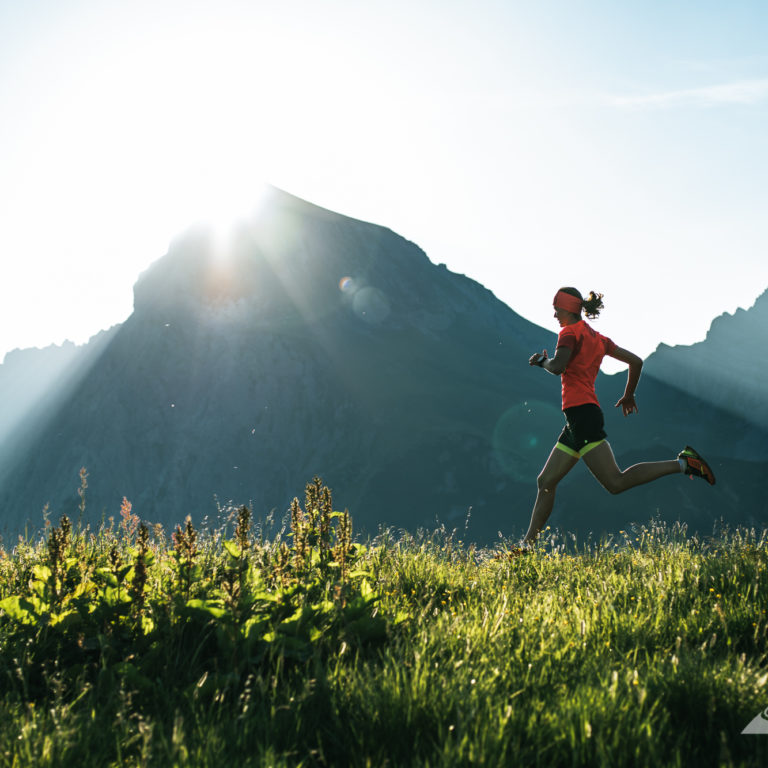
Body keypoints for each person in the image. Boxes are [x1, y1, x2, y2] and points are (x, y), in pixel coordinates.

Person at [521, 287, 715, 547]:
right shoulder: (598, 338)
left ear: (568, 308)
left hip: (583, 418)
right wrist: (628, 395)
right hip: (578, 418)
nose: (554, 314)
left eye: (556, 309)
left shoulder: (569, 333)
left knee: (616, 481)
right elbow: (636, 361)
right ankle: (526, 548)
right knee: (545, 481)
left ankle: (685, 464)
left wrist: (542, 362)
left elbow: (558, 367)